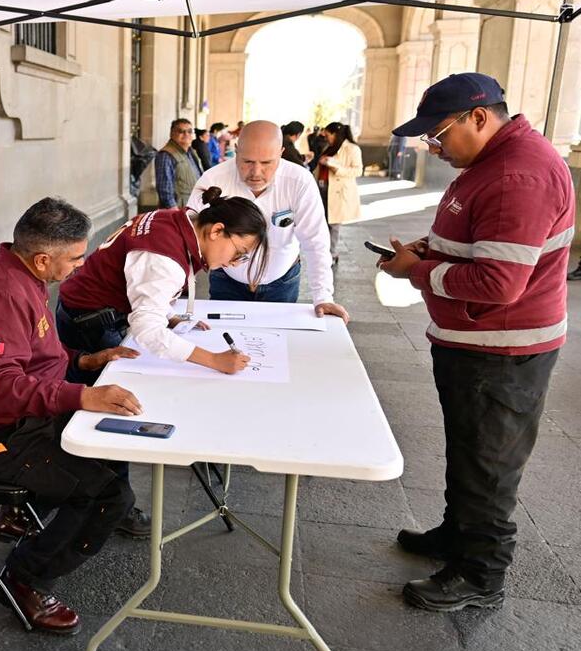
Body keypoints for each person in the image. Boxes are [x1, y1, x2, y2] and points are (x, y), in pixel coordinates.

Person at [379, 73, 574, 612]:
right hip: (476, 344)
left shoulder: (519, 175)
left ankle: (481, 573)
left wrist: (419, 272)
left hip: (503, 352)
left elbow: (498, 283)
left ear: (479, 117)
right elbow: (479, 242)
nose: (433, 148)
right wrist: (427, 249)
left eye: (438, 135)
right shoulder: (490, 162)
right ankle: (457, 535)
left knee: (489, 460)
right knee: (469, 448)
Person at [0, 197, 143, 634]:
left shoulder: (20, 273)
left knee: (110, 452)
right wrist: (82, 396)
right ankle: (23, 579)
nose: (80, 265)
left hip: (23, 418)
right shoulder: (4, 292)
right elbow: (1, 386)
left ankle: (19, 511)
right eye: (75, 258)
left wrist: (88, 361)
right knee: (109, 497)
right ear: (42, 258)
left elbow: (36, 358)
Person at [55, 189, 265, 381]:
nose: (234, 262)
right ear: (217, 231)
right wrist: (214, 360)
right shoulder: (164, 258)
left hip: (90, 307)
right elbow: (147, 329)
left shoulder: (175, 220)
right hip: (88, 322)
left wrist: (167, 315)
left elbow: (145, 280)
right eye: (239, 252)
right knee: (94, 393)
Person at [186, 121, 349, 321]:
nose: (256, 172)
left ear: (281, 153)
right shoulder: (213, 179)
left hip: (282, 282)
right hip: (227, 280)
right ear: (236, 150)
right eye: (247, 162)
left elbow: (315, 241)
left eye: (266, 163)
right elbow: (188, 236)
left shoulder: (300, 181)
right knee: (222, 340)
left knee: (278, 344)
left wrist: (323, 296)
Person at [315, 121, 362, 265]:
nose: (326, 137)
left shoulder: (352, 149)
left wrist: (336, 168)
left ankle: (332, 253)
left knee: (334, 224)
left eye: (328, 134)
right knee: (322, 222)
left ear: (335, 134)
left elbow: (357, 170)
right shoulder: (329, 147)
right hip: (323, 187)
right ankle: (324, 251)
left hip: (337, 191)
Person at [153, 118, 204, 209]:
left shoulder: (190, 152)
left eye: (189, 131)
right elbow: (164, 190)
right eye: (181, 131)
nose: (186, 134)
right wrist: (175, 213)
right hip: (178, 211)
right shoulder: (166, 155)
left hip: (191, 206)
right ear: (172, 133)